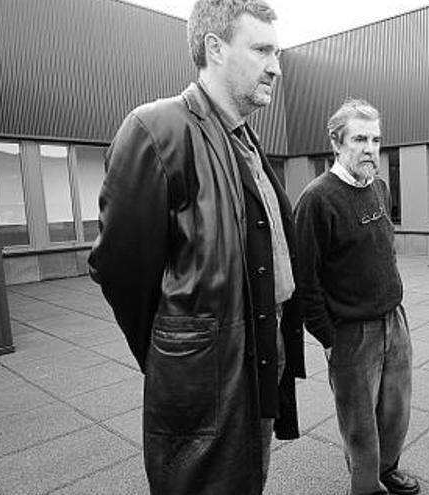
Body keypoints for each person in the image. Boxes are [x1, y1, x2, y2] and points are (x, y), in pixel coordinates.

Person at [87, 1, 304, 492]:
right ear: (214, 48)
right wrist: (178, 351)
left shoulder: (243, 141)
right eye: (263, 50)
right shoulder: (158, 130)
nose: (276, 66)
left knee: (248, 478)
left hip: (256, 357)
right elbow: (120, 270)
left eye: (279, 52)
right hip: (206, 377)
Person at [294, 99, 420, 495]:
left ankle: (388, 468)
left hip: (393, 322)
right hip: (351, 332)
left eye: (376, 139)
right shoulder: (317, 199)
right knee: (360, 423)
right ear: (336, 142)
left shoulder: (379, 187)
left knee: (396, 411)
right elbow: (305, 280)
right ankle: (366, 487)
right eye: (360, 139)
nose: (370, 149)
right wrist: (329, 339)